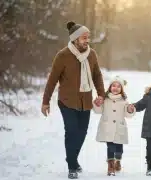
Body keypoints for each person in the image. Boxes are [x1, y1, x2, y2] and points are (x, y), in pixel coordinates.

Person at [41, 21, 105, 179]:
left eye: (88, 37)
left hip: (86, 101)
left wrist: (101, 94)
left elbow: (97, 75)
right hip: (67, 101)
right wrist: (45, 101)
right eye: (84, 37)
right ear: (75, 39)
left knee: (82, 133)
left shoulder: (92, 54)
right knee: (71, 132)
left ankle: (72, 158)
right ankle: (72, 166)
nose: (87, 40)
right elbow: (52, 79)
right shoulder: (63, 56)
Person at [93, 76, 135, 176]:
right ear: (110, 87)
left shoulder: (124, 101)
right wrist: (97, 104)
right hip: (108, 128)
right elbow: (98, 111)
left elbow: (128, 115)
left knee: (119, 149)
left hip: (119, 128)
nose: (115, 88)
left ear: (122, 90)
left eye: (118, 86)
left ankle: (118, 160)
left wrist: (130, 109)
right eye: (113, 86)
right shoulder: (105, 99)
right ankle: (110, 165)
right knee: (110, 146)